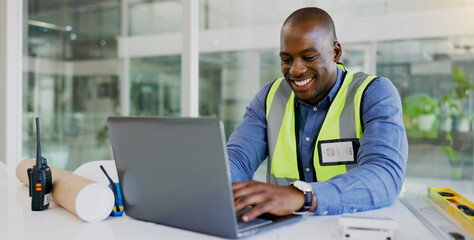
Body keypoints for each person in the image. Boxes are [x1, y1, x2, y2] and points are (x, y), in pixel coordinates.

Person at [227, 7, 408, 222]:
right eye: (286, 59)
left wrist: (303, 196)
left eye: (309, 56)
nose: (295, 70)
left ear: (336, 52)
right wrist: (216, 183)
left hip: (354, 226)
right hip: (282, 230)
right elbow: (237, 158)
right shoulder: (269, 97)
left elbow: (385, 175)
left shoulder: (374, 93)